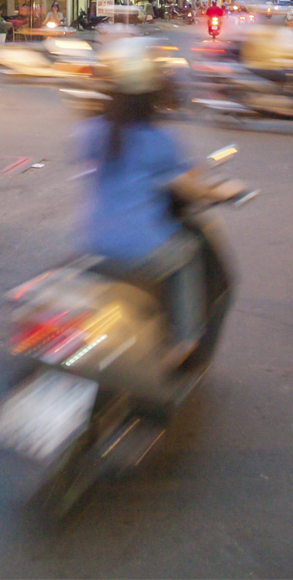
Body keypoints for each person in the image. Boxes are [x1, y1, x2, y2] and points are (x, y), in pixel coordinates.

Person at [75, 37, 204, 366]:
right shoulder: (159, 141)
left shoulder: (93, 132)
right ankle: (183, 342)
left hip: (93, 243)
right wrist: (221, 191)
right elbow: (191, 190)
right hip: (143, 248)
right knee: (187, 256)